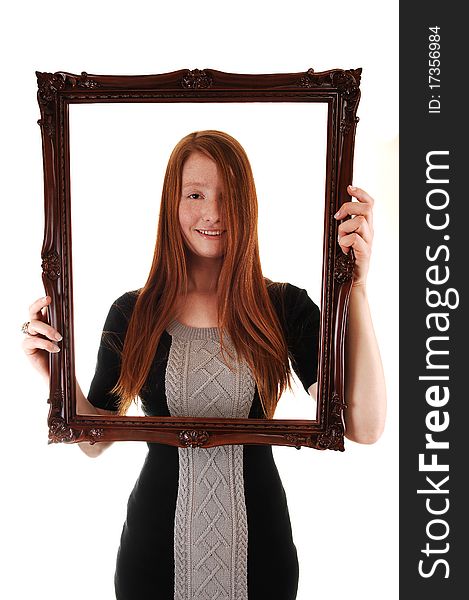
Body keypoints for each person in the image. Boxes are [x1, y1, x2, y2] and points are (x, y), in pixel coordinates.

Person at [22, 130, 386, 600]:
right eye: (195, 194)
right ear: (171, 204)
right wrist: (54, 373)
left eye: (228, 195)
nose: (213, 213)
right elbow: (95, 440)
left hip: (262, 556)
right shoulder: (132, 313)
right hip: (152, 557)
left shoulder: (283, 307)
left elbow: (364, 424)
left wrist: (355, 286)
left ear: (248, 204)